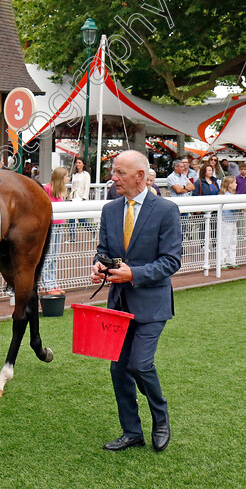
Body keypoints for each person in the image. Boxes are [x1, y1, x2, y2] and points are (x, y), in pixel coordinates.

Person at [90, 150, 181, 453]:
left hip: (152, 304)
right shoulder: (110, 209)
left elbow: (171, 261)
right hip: (119, 305)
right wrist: (99, 265)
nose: (112, 177)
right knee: (118, 370)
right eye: (113, 172)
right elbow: (103, 249)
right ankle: (132, 431)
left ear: (140, 176)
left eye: (119, 173)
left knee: (140, 365)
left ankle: (160, 417)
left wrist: (134, 274)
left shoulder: (166, 210)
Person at [41, 167, 68, 294]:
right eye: (67, 176)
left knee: (55, 255)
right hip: (51, 226)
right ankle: (46, 284)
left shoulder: (61, 190)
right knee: (49, 255)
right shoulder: (47, 188)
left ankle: (53, 283)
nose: (68, 179)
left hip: (60, 225)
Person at [218, 176, 239, 269]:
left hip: (233, 221)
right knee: (225, 241)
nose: (236, 184)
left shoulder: (233, 195)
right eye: (234, 182)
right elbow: (233, 208)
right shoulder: (226, 196)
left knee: (233, 241)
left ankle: (231, 260)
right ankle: (222, 261)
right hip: (226, 221)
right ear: (229, 184)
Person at [69, 156, 91, 240]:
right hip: (74, 197)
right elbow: (72, 186)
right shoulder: (74, 174)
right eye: (77, 163)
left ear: (83, 164)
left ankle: (92, 230)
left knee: (81, 218)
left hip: (81, 197)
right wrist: (70, 196)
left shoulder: (86, 175)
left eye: (79, 163)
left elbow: (87, 187)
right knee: (71, 218)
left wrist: (84, 198)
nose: (77, 164)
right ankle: (72, 237)